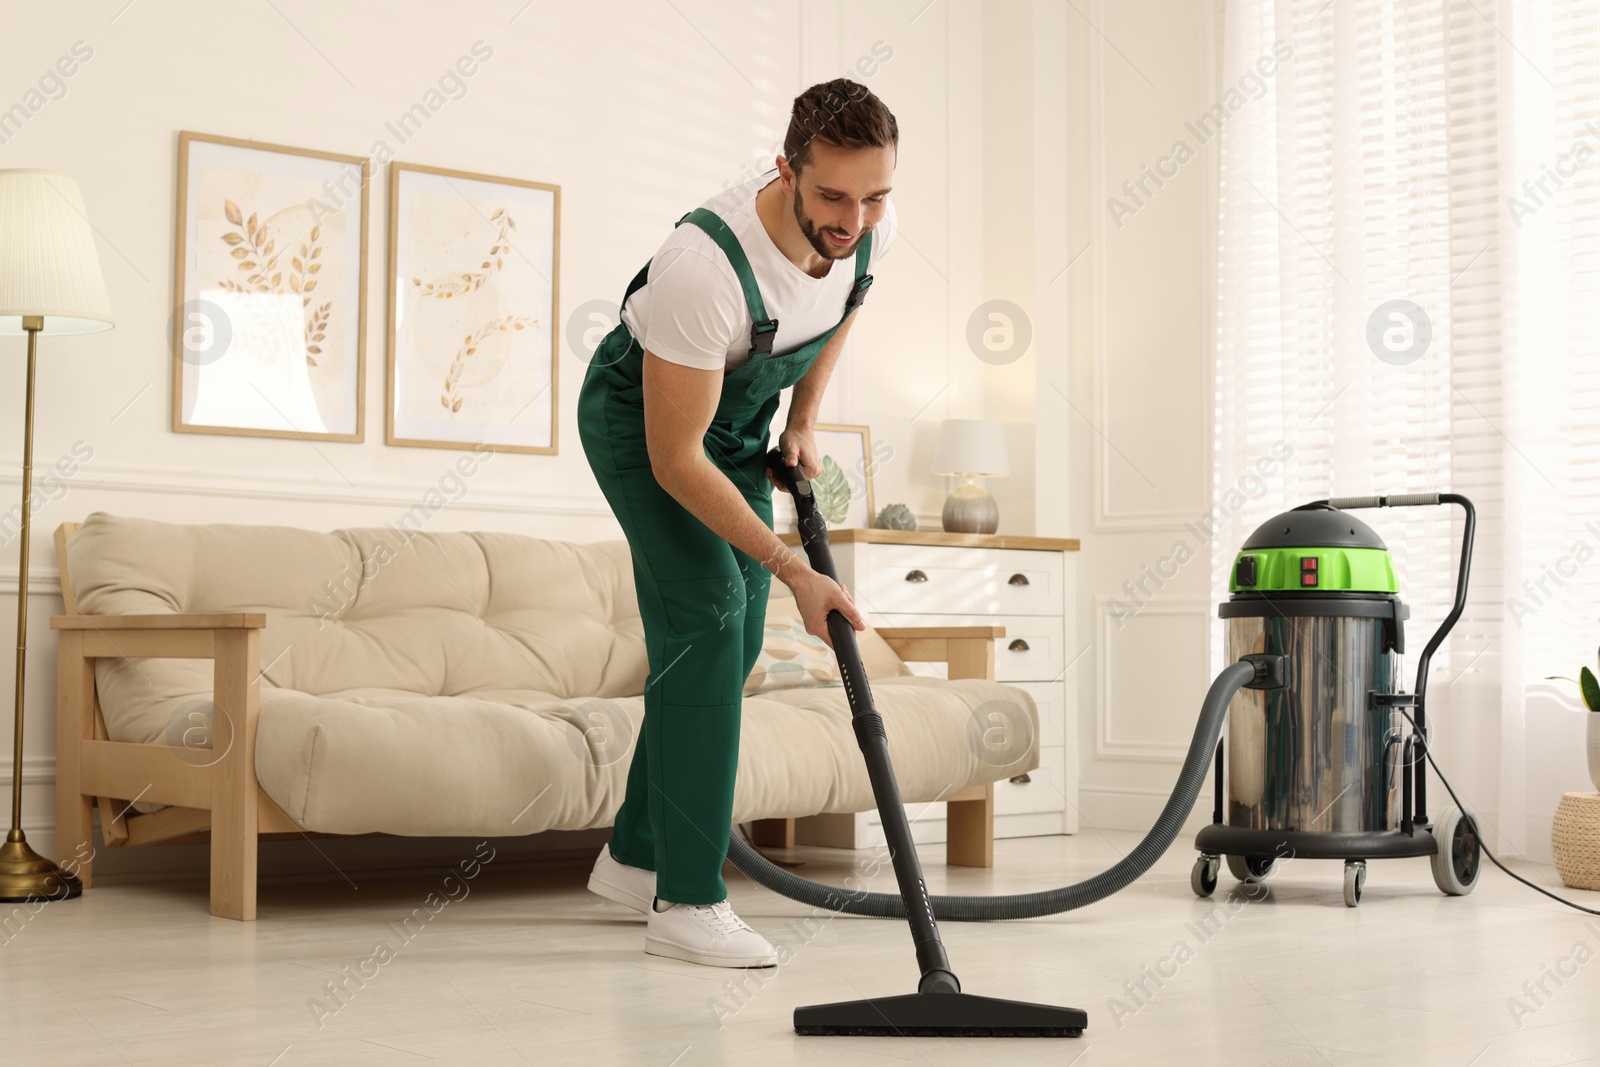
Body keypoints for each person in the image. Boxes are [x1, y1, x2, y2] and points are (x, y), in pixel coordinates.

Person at [577, 78, 898, 969]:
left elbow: (842, 307)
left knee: (737, 627)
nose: (854, 217)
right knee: (713, 614)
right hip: (644, 426)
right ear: (788, 168)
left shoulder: (866, 226)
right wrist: (794, 566)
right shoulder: (706, 266)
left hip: (737, 425)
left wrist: (801, 421)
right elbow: (676, 456)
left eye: (874, 195)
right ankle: (688, 900)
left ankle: (638, 855)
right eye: (833, 195)